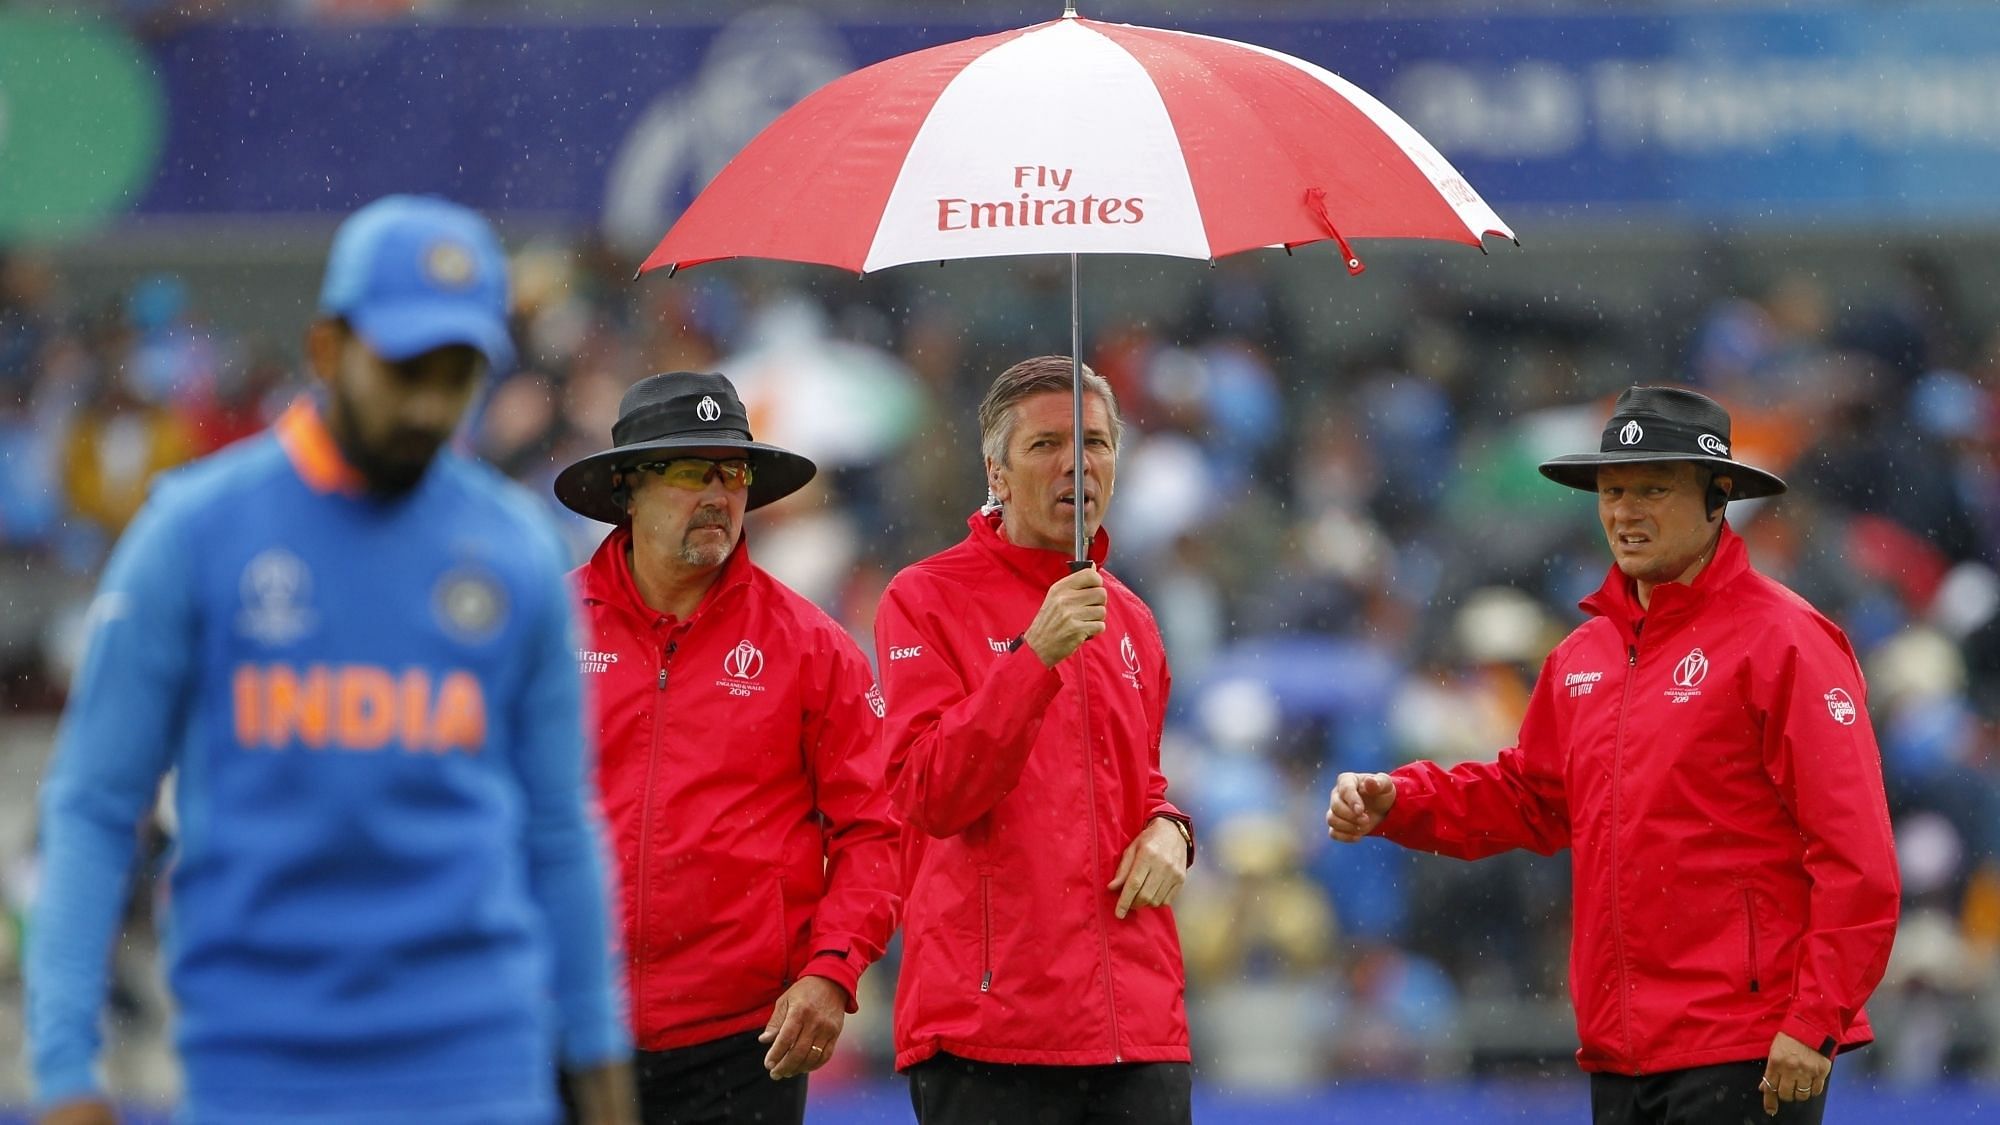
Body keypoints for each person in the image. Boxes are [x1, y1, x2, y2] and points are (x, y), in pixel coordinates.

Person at [25, 195, 636, 1125]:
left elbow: (559, 828)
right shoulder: (193, 534)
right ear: (325, 349)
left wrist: (598, 1064)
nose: (431, 404)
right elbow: (94, 806)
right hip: (259, 1075)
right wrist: (66, 1067)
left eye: (458, 372)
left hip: (482, 1070)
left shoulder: (511, 549)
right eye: (405, 369)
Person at [1327, 386, 1901, 1124]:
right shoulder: (1580, 656)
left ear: (1719, 496)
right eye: (1612, 490)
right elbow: (1531, 797)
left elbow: (1859, 860)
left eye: (1652, 488)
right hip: (1620, 1052)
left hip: (1750, 1050)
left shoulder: (1788, 641)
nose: (1624, 512)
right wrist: (1402, 801)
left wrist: (1814, 1020)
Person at [552, 370, 899, 1125]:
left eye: (733, 471)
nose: (719, 494)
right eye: (689, 470)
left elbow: (877, 832)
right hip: (563, 1029)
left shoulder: (814, 648)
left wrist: (831, 973)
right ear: (627, 489)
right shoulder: (546, 629)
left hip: (742, 1049)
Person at [874, 355, 1196, 1124]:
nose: (1076, 465)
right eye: (1046, 445)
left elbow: (1139, 787)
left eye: (1095, 443)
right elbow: (927, 792)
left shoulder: (1134, 620)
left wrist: (1174, 829)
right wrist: (1035, 656)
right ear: (997, 469)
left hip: (1138, 1028)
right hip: (994, 1032)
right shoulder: (922, 599)